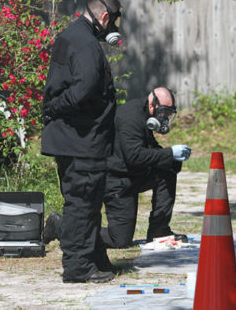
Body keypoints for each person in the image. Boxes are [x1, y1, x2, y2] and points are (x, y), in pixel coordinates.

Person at [44, 87, 191, 250]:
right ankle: (59, 225)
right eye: (163, 113)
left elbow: (149, 149)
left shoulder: (144, 116)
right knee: (119, 240)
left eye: (168, 114)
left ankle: (159, 231)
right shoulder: (130, 118)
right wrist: (169, 153)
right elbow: (135, 156)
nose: (164, 118)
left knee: (167, 171)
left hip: (132, 175)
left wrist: (173, 158)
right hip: (117, 182)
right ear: (152, 104)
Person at [41, 0, 122, 283]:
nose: (113, 28)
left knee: (87, 201)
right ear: (104, 17)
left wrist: (53, 110)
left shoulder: (70, 35)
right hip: (81, 140)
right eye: (113, 22)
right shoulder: (87, 44)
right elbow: (83, 90)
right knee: (82, 204)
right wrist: (52, 109)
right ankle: (77, 268)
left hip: (73, 139)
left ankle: (94, 258)